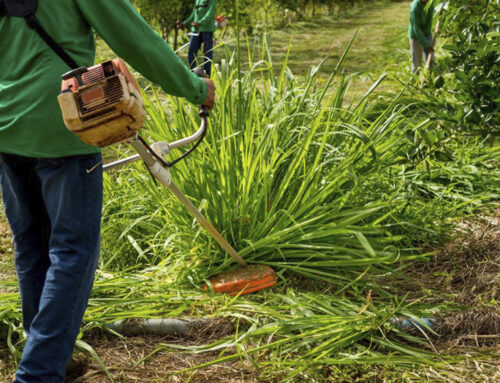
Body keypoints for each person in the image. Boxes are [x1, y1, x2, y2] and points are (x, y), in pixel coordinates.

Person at [0, 1, 215, 382]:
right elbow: (134, 37)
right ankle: (38, 372)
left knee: (31, 244)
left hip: (7, 125)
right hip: (64, 129)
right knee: (72, 251)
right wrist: (196, 87)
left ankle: (52, 356)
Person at [177, 0, 218, 76]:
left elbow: (210, 13)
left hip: (207, 29)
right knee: (191, 51)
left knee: (207, 52)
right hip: (195, 30)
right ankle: (194, 73)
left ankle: (207, 74)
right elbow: (193, 14)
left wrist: (200, 22)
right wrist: (184, 23)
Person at [408, 0, 435, 73]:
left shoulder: (430, 3)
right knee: (417, 63)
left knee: (431, 60)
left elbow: (430, 20)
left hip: (427, 34)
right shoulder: (415, 7)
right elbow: (416, 29)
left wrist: (428, 42)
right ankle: (415, 83)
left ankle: (429, 80)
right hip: (416, 36)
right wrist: (426, 44)